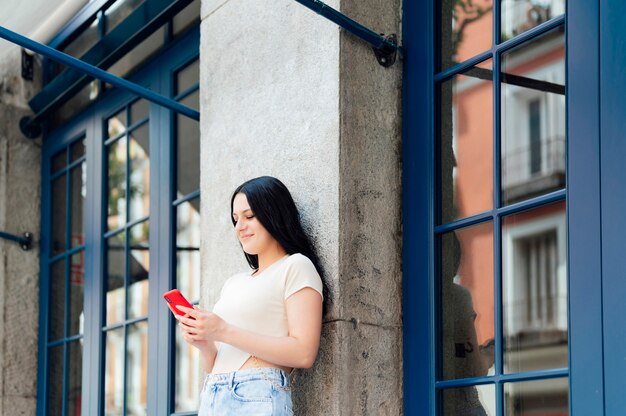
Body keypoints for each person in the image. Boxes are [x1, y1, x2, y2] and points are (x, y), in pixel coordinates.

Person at [175, 176, 327, 416]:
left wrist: (222, 330)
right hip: (213, 395)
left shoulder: (296, 266)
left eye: (249, 216)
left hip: (257, 395)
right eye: (236, 219)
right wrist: (205, 343)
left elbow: (304, 352)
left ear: (274, 214)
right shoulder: (234, 282)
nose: (239, 227)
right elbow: (217, 363)